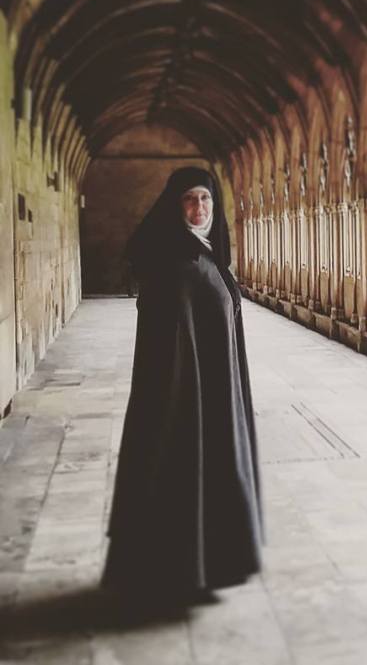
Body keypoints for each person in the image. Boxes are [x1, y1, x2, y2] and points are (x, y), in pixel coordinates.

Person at [101, 167, 264, 602]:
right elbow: (165, 340)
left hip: (214, 388)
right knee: (184, 471)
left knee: (211, 471)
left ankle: (204, 567)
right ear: (176, 206)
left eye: (206, 199)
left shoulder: (207, 253)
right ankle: (181, 571)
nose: (199, 207)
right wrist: (180, 397)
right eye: (190, 199)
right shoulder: (172, 262)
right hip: (184, 396)